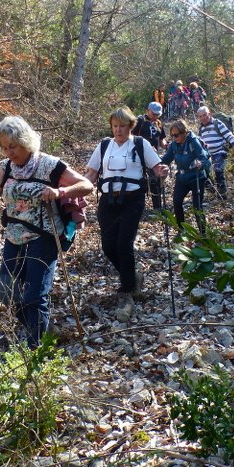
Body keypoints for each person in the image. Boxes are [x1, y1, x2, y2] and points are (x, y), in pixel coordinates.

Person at [0, 115, 93, 348]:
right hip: (14, 236)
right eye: (4, 147)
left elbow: (87, 185)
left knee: (34, 296)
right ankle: (42, 327)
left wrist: (59, 193)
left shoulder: (50, 165)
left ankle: (35, 351)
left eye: (14, 146)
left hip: (45, 236)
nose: (9, 152)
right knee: (6, 292)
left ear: (26, 141)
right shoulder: (5, 168)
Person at [86, 106, 169, 321]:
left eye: (122, 126)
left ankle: (128, 288)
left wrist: (162, 172)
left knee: (124, 244)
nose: (118, 130)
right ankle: (132, 276)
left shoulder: (141, 144)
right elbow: (92, 173)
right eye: (115, 126)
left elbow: (157, 167)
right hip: (108, 200)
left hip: (133, 200)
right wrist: (78, 191)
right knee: (108, 246)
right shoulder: (104, 145)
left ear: (130, 126)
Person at [160, 119, 211, 234]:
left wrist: (200, 164)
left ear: (184, 132)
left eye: (176, 135)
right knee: (177, 202)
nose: (174, 138)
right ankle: (181, 230)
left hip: (196, 177)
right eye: (172, 135)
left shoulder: (194, 142)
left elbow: (204, 158)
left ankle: (203, 233)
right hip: (182, 177)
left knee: (197, 206)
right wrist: (156, 163)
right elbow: (166, 159)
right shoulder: (174, 145)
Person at [196, 105, 234, 200]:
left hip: (219, 151)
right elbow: (199, 143)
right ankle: (213, 190)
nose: (203, 118)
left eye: (204, 115)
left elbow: (230, 136)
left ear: (209, 114)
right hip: (208, 154)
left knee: (218, 170)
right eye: (200, 116)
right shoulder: (201, 128)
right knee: (200, 173)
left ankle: (222, 196)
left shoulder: (218, 124)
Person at [132, 101, 167, 210]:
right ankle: (136, 206)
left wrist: (167, 146)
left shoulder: (158, 123)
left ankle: (157, 208)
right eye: (154, 114)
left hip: (153, 157)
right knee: (139, 180)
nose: (156, 116)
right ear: (148, 111)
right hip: (139, 155)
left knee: (155, 180)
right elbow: (131, 136)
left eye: (158, 114)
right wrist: (144, 146)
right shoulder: (140, 121)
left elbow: (162, 139)